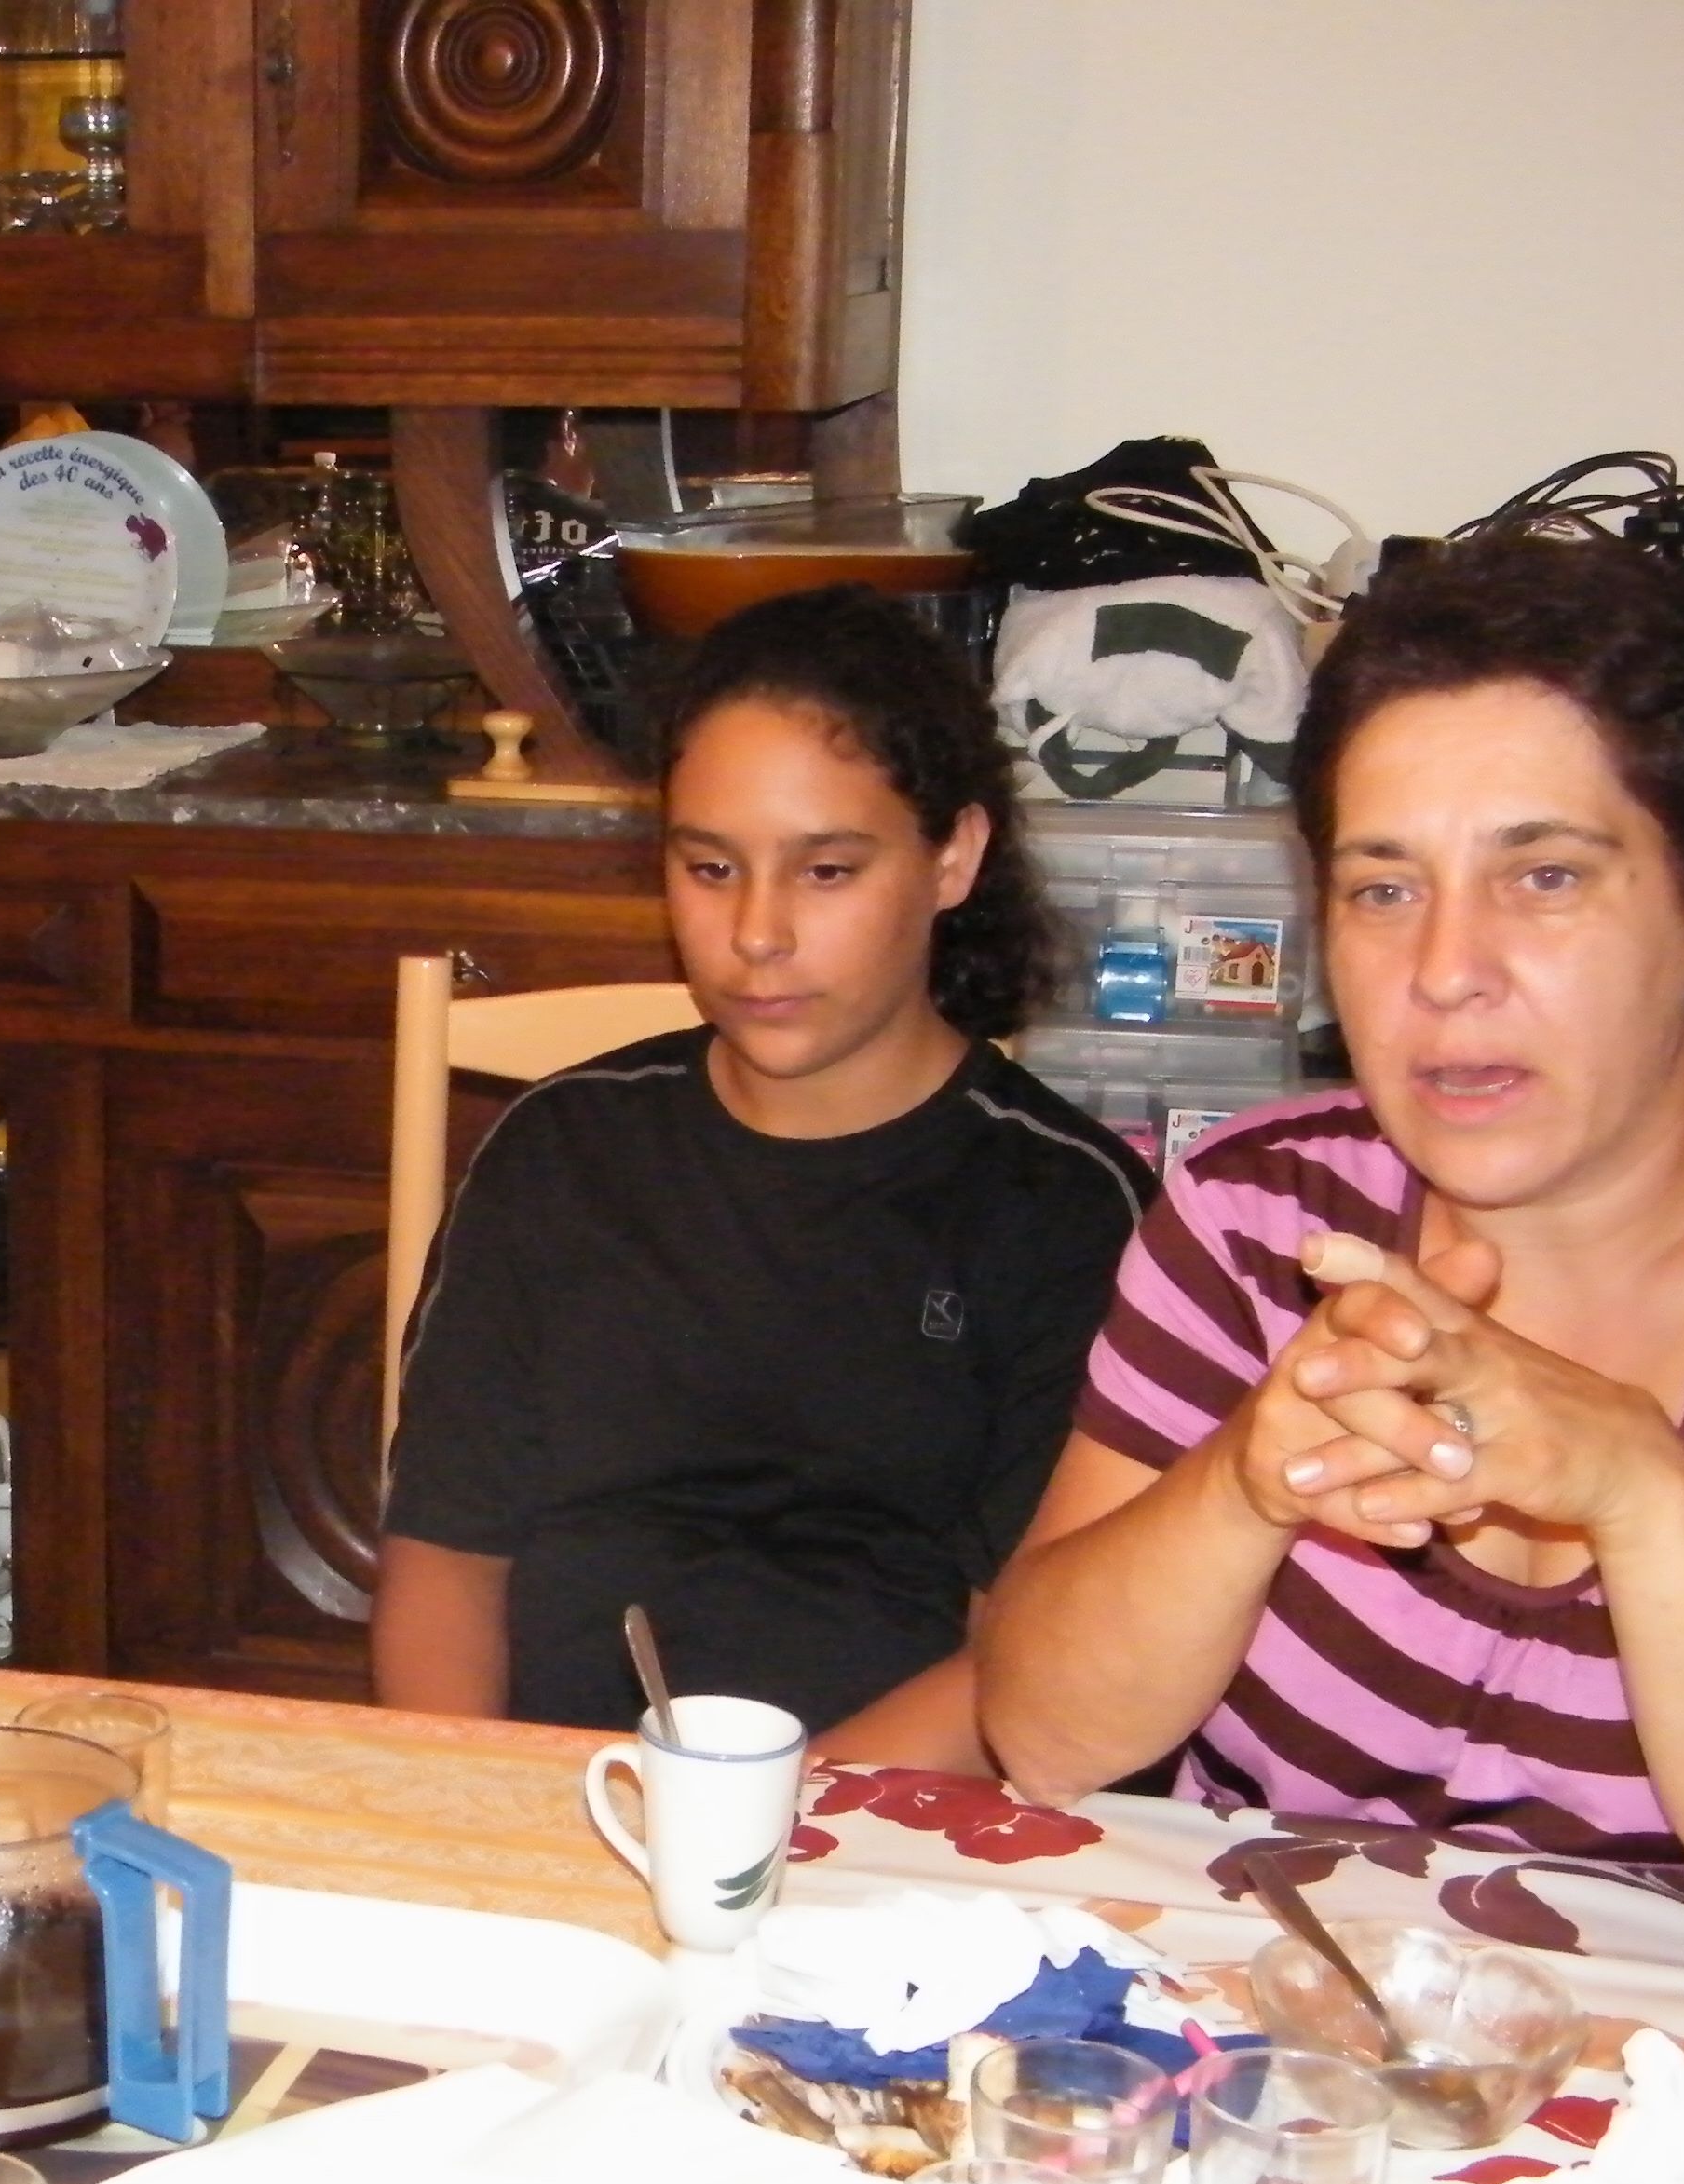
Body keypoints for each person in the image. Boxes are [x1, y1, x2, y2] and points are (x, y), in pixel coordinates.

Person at [976, 535, 1684, 2012]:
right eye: (1385, 890)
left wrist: (1645, 1495)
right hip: (1280, 2046)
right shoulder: (1263, 1217)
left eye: (1546, 876)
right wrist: (1250, 1479)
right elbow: (1044, 1736)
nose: (1448, 969)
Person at [373, 586, 1152, 1751]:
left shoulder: (1067, 1213)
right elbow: (443, 1559)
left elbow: (1027, 1666)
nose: (757, 935)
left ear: (953, 858)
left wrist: (753, 1827)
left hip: (888, 1819)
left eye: (827, 872)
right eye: (710, 868)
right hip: (552, 1792)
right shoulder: (561, 1152)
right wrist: (475, 1796)